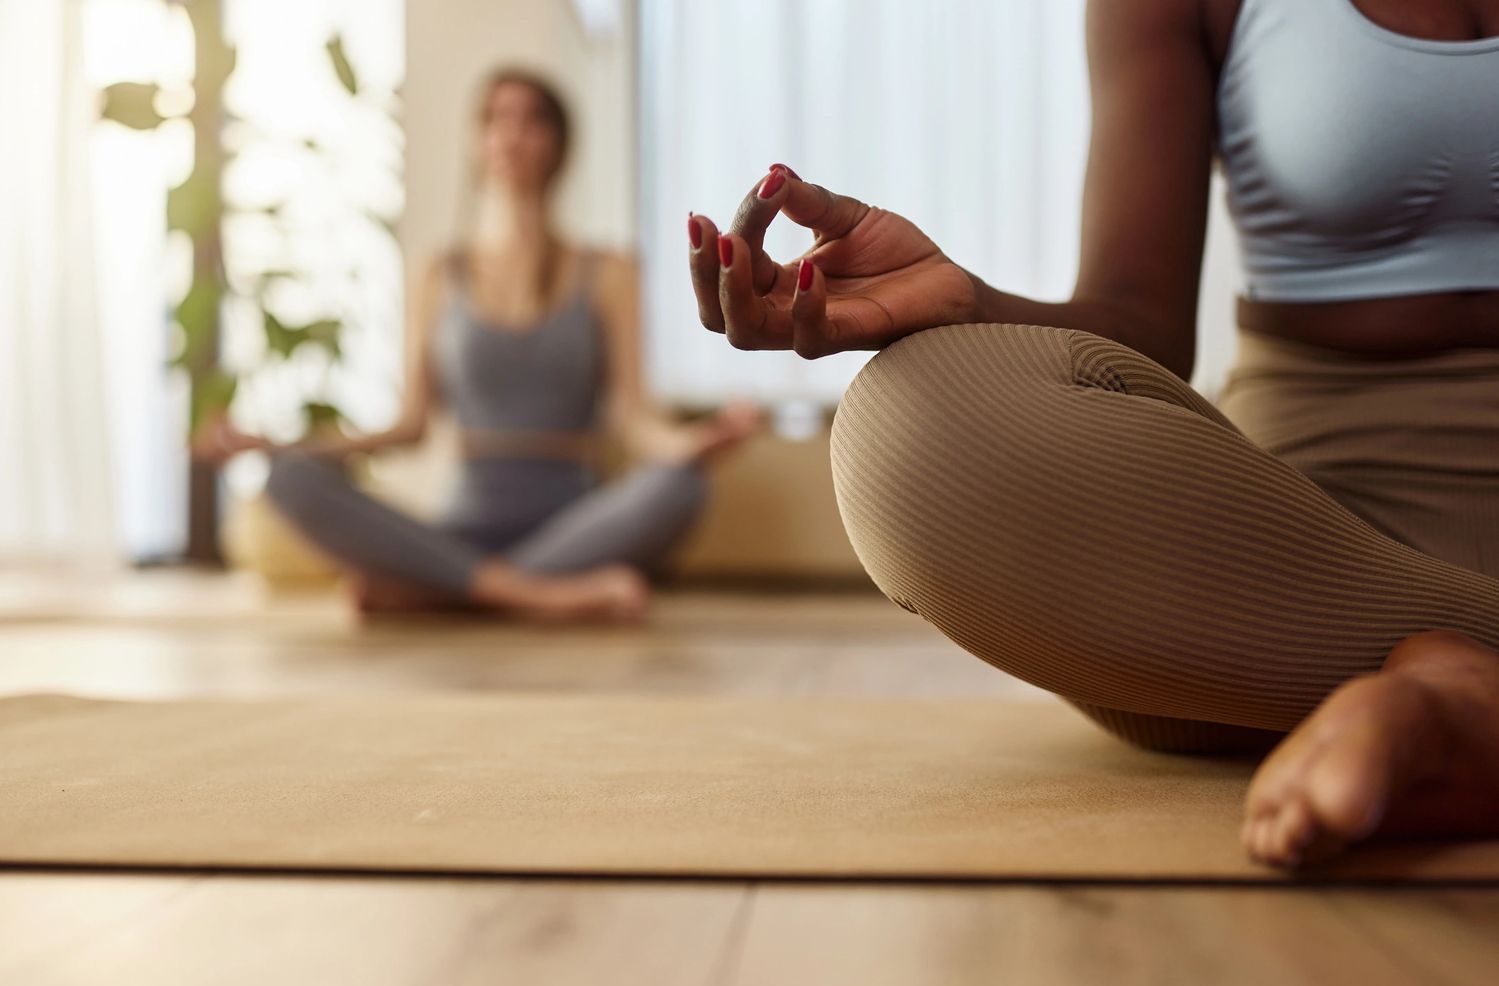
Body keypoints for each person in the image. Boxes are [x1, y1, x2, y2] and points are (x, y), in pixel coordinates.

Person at [686, 0, 1499, 869]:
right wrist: (967, 305)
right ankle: (1435, 674)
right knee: (913, 429)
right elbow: (1140, 320)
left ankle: (1463, 697)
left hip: (1298, 647)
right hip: (1299, 562)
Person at [200, 68, 760, 622]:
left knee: (681, 488)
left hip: (575, 526)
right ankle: (533, 595)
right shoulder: (440, 273)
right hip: (462, 526)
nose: (512, 134)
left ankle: (443, 593)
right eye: (496, 118)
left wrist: (695, 443)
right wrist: (277, 444)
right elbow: (409, 425)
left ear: (559, 146)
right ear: (478, 141)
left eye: (531, 120)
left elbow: (631, 416)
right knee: (289, 478)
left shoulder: (610, 272)